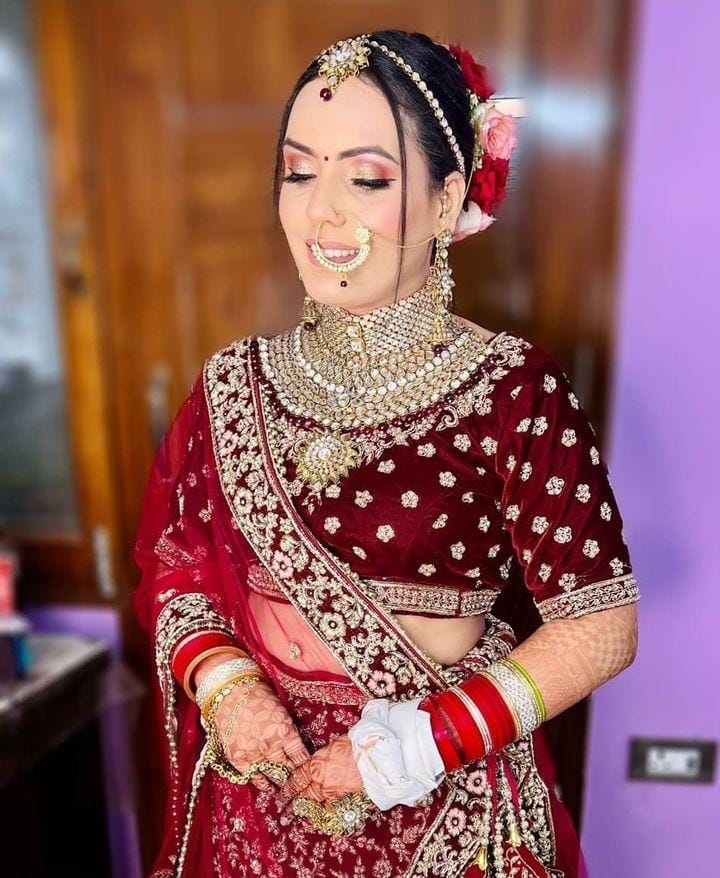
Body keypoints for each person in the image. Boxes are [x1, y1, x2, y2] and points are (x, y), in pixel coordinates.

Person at [131, 29, 640, 878]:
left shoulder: (513, 391)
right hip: (261, 797)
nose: (321, 212)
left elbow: (601, 626)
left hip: (443, 798)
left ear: (446, 202)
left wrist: (415, 746)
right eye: (298, 173)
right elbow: (178, 566)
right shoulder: (232, 385)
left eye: (366, 179)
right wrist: (228, 687)